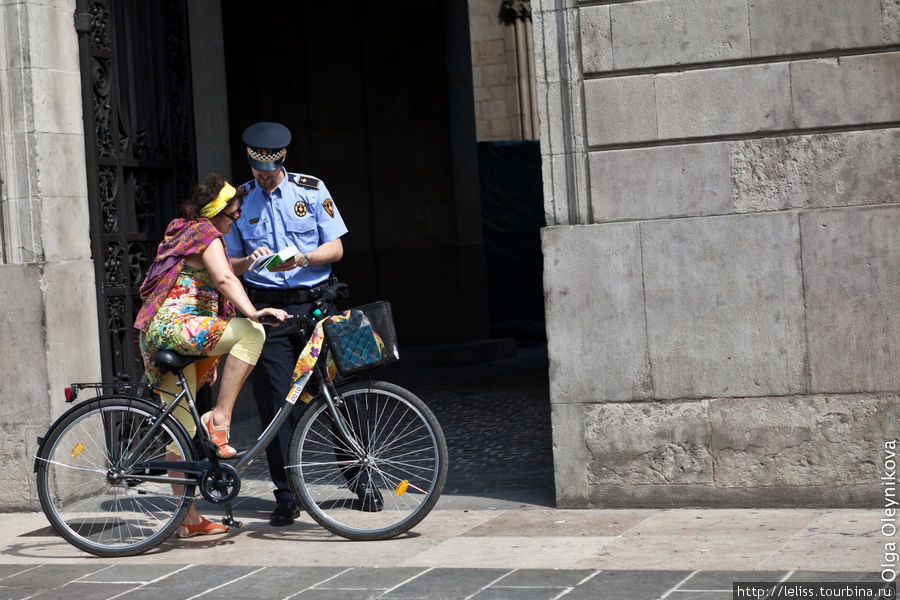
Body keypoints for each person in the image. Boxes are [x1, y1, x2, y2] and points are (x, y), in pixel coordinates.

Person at [134, 173, 288, 538]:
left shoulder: (190, 232)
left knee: (179, 432)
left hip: (162, 332)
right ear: (217, 212)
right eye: (233, 214)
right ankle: (218, 420)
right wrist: (252, 311)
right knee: (252, 333)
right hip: (180, 325)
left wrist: (248, 261)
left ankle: (185, 519)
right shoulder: (206, 234)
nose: (236, 220)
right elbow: (223, 280)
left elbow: (219, 267)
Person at [223, 122, 355, 527]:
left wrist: (304, 258)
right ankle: (286, 493)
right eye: (256, 168)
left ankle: (361, 476)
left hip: (315, 307)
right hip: (270, 312)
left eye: (270, 168)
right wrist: (250, 262)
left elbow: (337, 247)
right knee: (276, 404)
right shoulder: (240, 200)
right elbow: (226, 264)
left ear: (283, 159)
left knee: (341, 394)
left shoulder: (312, 191)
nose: (263, 176)